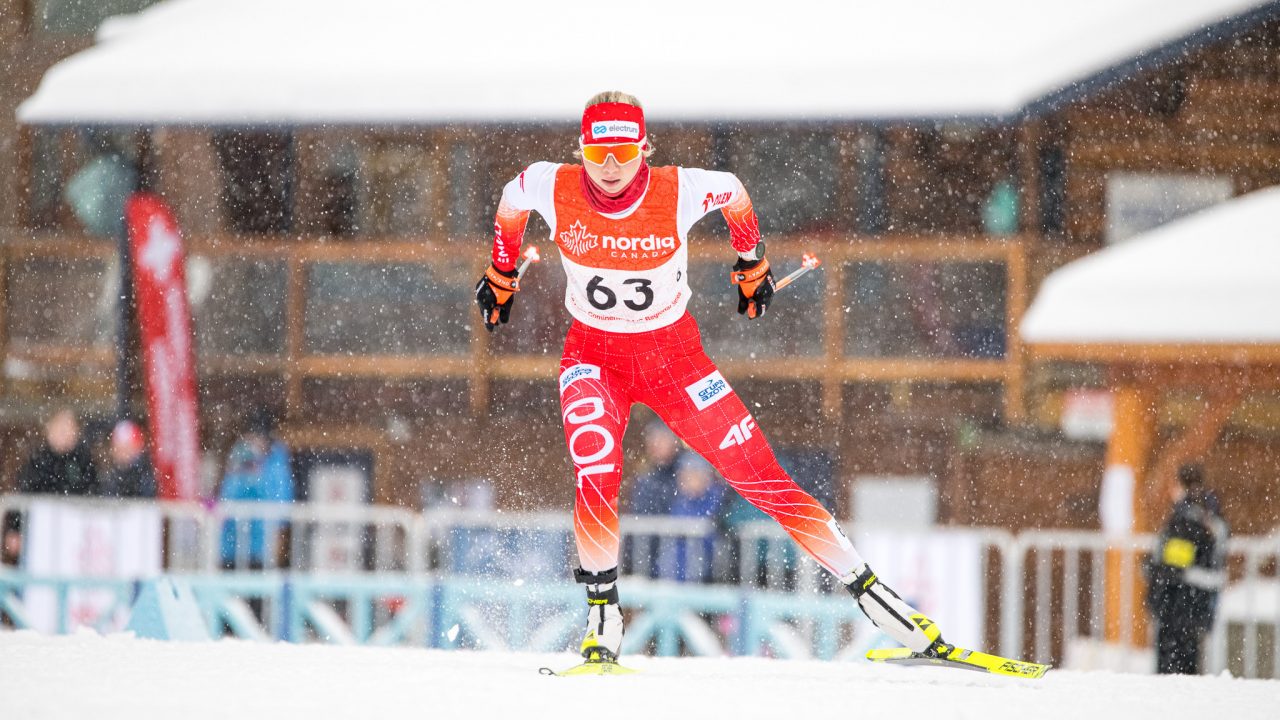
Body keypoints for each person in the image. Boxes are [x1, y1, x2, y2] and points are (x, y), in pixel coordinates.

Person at [474, 91, 949, 665]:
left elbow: (735, 192)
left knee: (761, 478)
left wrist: (752, 262)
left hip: (675, 359)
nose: (610, 168)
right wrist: (501, 274)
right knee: (596, 467)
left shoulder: (679, 188)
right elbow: (510, 198)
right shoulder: (554, 185)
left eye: (623, 152)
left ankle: (878, 600)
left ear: (643, 149)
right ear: (582, 151)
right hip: (593, 357)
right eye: (598, 154)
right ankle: (603, 614)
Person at [1145, 463, 1229, 674]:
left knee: (1173, 673)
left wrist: (1154, 569)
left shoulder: (1187, 517)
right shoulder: (1210, 515)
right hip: (1196, 606)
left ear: (1180, 485)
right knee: (1188, 671)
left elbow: (1175, 564)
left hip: (1179, 605)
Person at [3, 408, 100, 563]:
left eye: (69, 427)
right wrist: (15, 529)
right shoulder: (36, 461)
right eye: (61, 427)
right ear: (50, 429)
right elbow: (23, 495)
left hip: (75, 538)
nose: (65, 433)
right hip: (40, 537)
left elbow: (95, 495)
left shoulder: (84, 462)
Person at [218, 407, 294, 571]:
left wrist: (278, 536)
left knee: (257, 587)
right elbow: (228, 493)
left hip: (260, 544)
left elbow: (281, 501)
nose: (253, 441)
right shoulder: (240, 455)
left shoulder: (276, 461)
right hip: (232, 542)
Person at [660, 453, 727, 582]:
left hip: (705, 576)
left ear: (704, 476)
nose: (684, 479)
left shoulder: (717, 500)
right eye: (682, 475)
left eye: (690, 474)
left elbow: (712, 540)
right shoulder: (680, 502)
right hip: (675, 576)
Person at [101, 419, 157, 499]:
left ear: (137, 448)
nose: (121, 454)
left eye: (126, 448)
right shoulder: (111, 474)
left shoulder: (143, 475)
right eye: (118, 449)